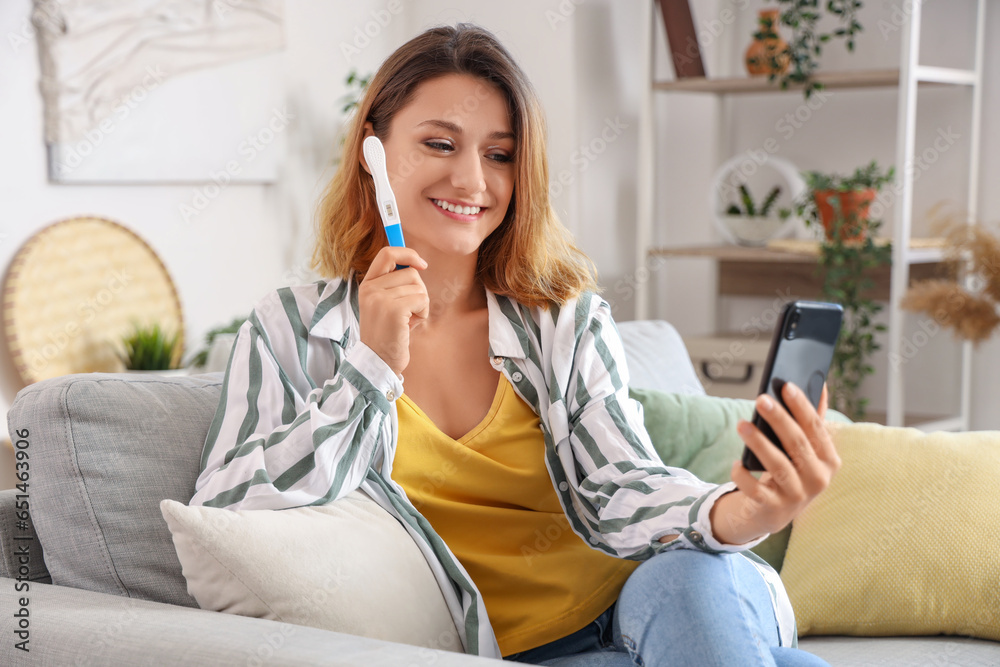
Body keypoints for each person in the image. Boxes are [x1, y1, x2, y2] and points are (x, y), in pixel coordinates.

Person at [191, 23, 839, 667]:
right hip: (521, 649)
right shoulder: (294, 329)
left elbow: (621, 478)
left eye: (500, 155)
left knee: (689, 579)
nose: (473, 179)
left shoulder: (561, 319)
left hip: (651, 591)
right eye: (440, 143)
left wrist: (742, 512)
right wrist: (369, 366)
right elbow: (227, 505)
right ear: (374, 154)